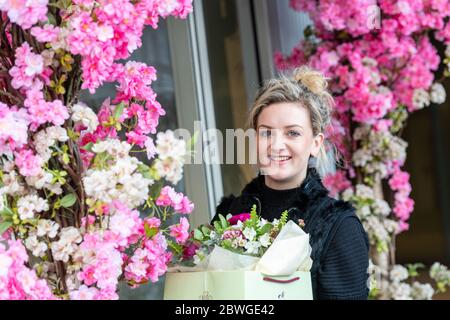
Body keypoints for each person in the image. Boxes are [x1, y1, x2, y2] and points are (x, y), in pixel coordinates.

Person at [211, 66, 370, 300]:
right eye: (266, 133)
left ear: (315, 143)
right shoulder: (229, 215)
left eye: (292, 133)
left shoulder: (338, 226)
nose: (276, 145)